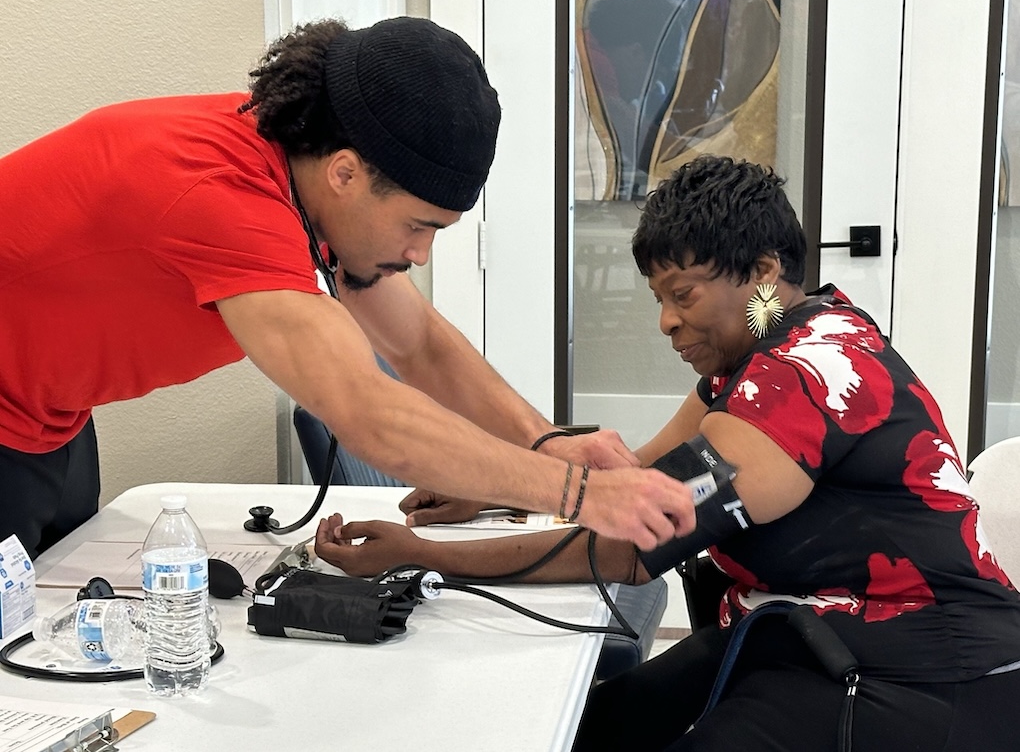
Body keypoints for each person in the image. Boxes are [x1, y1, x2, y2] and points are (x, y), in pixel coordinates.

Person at [314, 155, 1020, 751]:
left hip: (926, 677)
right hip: (800, 629)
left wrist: (420, 552)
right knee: (595, 729)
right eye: (658, 297)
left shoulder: (798, 383)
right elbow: (638, 473)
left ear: (764, 272)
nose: (666, 321)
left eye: (682, 294)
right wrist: (501, 493)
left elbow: (627, 542)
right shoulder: (779, 340)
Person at [0, 16, 697, 560]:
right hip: (8, 411)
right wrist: (577, 493)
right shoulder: (222, 196)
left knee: (55, 624)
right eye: (419, 226)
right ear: (346, 173)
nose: (419, 255)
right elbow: (367, 412)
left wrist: (545, 441)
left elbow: (418, 344)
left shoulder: (304, 176)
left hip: (48, 409)